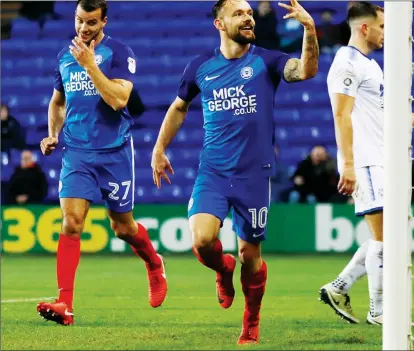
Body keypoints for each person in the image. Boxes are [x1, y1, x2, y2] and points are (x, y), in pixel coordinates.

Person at [150, 0, 318, 344]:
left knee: (249, 255)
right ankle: (222, 270)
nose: (248, 18)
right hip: (212, 170)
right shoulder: (200, 66)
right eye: (239, 13)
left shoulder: (267, 61)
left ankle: (251, 322)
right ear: (219, 23)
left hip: (254, 175)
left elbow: (305, 71)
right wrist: (158, 148)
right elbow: (179, 107)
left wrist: (309, 30)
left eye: (250, 13)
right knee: (201, 240)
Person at [36, 0, 167, 326]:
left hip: (114, 152)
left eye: (91, 22)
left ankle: (153, 262)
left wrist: (91, 66)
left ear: (104, 22)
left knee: (123, 228)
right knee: (72, 222)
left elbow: (119, 99)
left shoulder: (120, 53)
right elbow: (58, 102)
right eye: (80, 20)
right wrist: (53, 133)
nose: (83, 28)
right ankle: (65, 304)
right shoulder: (64, 57)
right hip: (77, 153)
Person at [318, 1, 414, 326]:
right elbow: (341, 115)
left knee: (388, 237)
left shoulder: (370, 66)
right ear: (364, 28)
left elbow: (385, 112)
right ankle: (379, 311)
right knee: (387, 239)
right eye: (384, 27)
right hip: (367, 161)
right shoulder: (346, 64)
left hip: (382, 160)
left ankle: (338, 287)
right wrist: (347, 164)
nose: (387, 33)